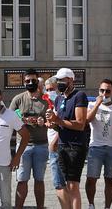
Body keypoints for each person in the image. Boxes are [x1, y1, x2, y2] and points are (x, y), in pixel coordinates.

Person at [48, 67, 90, 209]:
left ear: (71, 80)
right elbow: (60, 123)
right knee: (64, 184)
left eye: (62, 80)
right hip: (62, 144)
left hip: (75, 145)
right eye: (58, 80)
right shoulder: (59, 98)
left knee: (73, 185)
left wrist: (57, 120)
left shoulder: (79, 96)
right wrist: (51, 123)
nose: (59, 82)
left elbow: (80, 124)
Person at [8, 69, 49, 209]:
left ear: (38, 80)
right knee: (22, 179)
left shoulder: (45, 99)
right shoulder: (18, 99)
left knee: (39, 179)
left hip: (41, 144)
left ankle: (40, 207)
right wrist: (22, 119)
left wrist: (43, 121)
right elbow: (10, 117)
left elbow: (52, 120)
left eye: (33, 80)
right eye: (27, 81)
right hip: (23, 145)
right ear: (23, 82)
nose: (30, 83)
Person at [84, 79, 112, 209]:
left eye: (108, 91)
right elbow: (86, 120)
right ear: (98, 91)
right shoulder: (91, 105)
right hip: (95, 146)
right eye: (102, 90)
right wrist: (97, 104)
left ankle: (107, 206)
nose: (104, 93)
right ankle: (91, 204)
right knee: (91, 178)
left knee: (110, 179)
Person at [43, 77, 66, 208]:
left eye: (52, 89)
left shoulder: (60, 102)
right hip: (53, 144)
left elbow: (62, 124)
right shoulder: (51, 103)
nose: (50, 91)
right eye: (47, 89)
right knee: (62, 184)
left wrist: (54, 142)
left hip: (57, 146)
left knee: (59, 184)